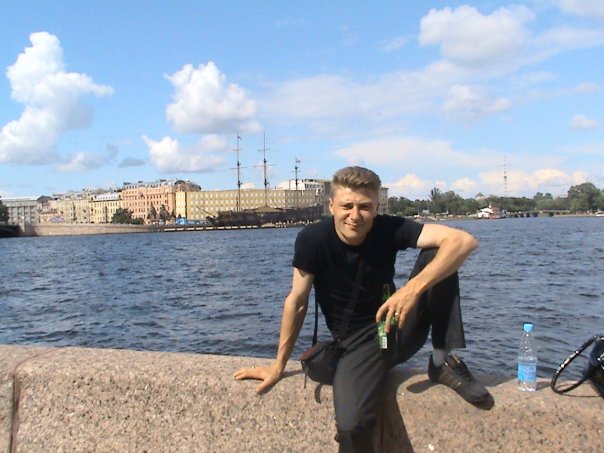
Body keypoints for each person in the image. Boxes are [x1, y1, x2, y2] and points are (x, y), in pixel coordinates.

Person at [234, 166, 491, 452]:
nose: (355, 216)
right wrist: (278, 365)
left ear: (376, 207)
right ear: (331, 206)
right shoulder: (313, 239)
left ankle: (441, 361)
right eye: (347, 206)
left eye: (364, 207)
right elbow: (297, 301)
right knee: (351, 426)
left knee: (440, 254)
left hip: (396, 326)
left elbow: (464, 241)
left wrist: (412, 289)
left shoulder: (389, 228)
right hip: (356, 345)